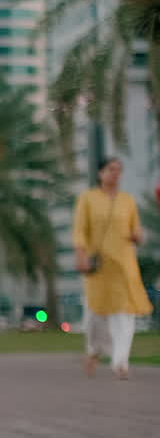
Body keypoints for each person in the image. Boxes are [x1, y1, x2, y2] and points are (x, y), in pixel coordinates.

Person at [74, 158, 152, 380]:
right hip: (98, 266)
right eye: (111, 169)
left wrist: (138, 236)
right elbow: (79, 230)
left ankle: (120, 362)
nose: (116, 174)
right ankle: (94, 350)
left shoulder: (127, 201)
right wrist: (80, 255)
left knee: (125, 314)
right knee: (95, 315)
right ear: (100, 173)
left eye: (119, 170)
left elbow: (136, 230)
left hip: (124, 264)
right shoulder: (88, 199)